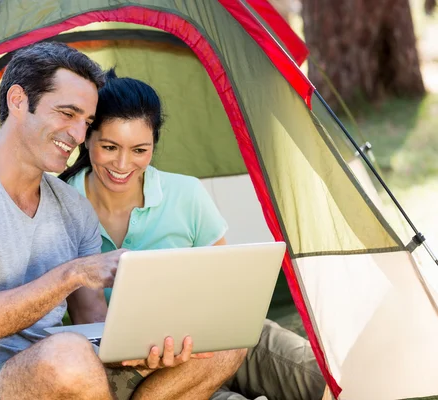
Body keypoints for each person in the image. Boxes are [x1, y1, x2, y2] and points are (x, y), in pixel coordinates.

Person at [0, 42, 244, 400]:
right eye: (67, 113)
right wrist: (74, 272)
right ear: (17, 101)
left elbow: (94, 325)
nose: (79, 136)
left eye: (87, 122)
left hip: (74, 375)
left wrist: (153, 348)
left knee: (223, 342)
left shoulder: (72, 207)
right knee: (67, 357)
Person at [60, 70, 328, 400]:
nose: (123, 164)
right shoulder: (64, 207)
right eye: (110, 146)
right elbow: (92, 319)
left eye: (140, 150)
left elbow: (226, 288)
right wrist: (150, 356)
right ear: (87, 138)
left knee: (321, 376)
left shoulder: (186, 193)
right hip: (136, 365)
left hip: (217, 339)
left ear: (154, 145)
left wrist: (212, 336)